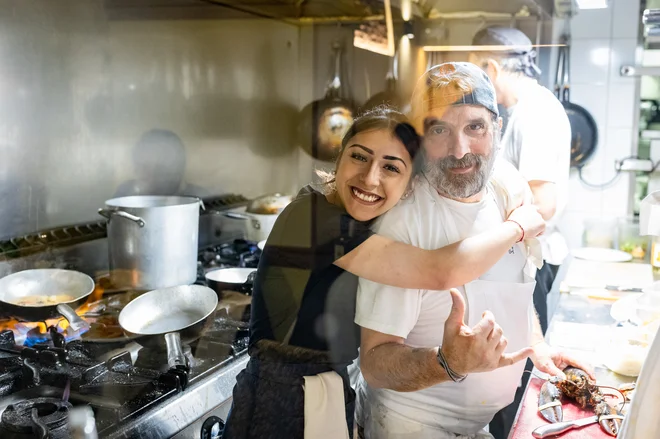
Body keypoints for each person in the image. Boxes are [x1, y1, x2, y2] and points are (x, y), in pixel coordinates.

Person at [221, 106, 546, 439]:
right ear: (340, 156)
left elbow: (493, 173)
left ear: (410, 184)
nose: (370, 178)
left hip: (323, 390)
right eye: (359, 157)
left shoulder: (362, 224)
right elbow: (441, 270)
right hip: (281, 398)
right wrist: (517, 227)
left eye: (391, 166)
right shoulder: (311, 218)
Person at [354, 63, 590, 439]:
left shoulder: (507, 187)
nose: (460, 150)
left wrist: (537, 346)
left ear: (497, 128)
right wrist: (445, 363)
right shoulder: (404, 224)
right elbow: (375, 362)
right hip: (408, 426)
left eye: (475, 127)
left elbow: (513, 284)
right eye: (440, 130)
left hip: (476, 427)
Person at [469, 27, 572, 438]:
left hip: (526, 276)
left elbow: (541, 205)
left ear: (491, 67)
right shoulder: (526, 110)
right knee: (504, 385)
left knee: (516, 394)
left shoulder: (537, 112)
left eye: (476, 71)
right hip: (512, 271)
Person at [114, 129, 209, 198]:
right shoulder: (125, 193)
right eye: (141, 165)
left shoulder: (198, 198)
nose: (144, 173)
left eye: (159, 169)